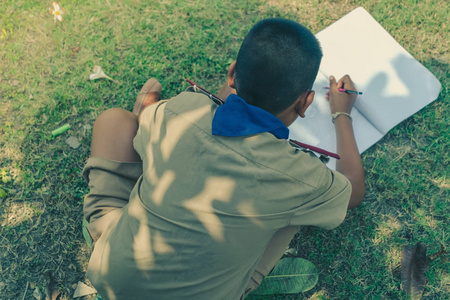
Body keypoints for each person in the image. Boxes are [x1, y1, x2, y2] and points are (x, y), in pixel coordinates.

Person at [82, 18, 365, 300]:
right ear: (306, 102)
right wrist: (343, 113)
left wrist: (153, 115)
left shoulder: (183, 109)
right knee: (299, 208)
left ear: (231, 75)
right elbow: (353, 190)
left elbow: (147, 126)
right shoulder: (303, 177)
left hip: (112, 278)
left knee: (116, 121)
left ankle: (146, 130)